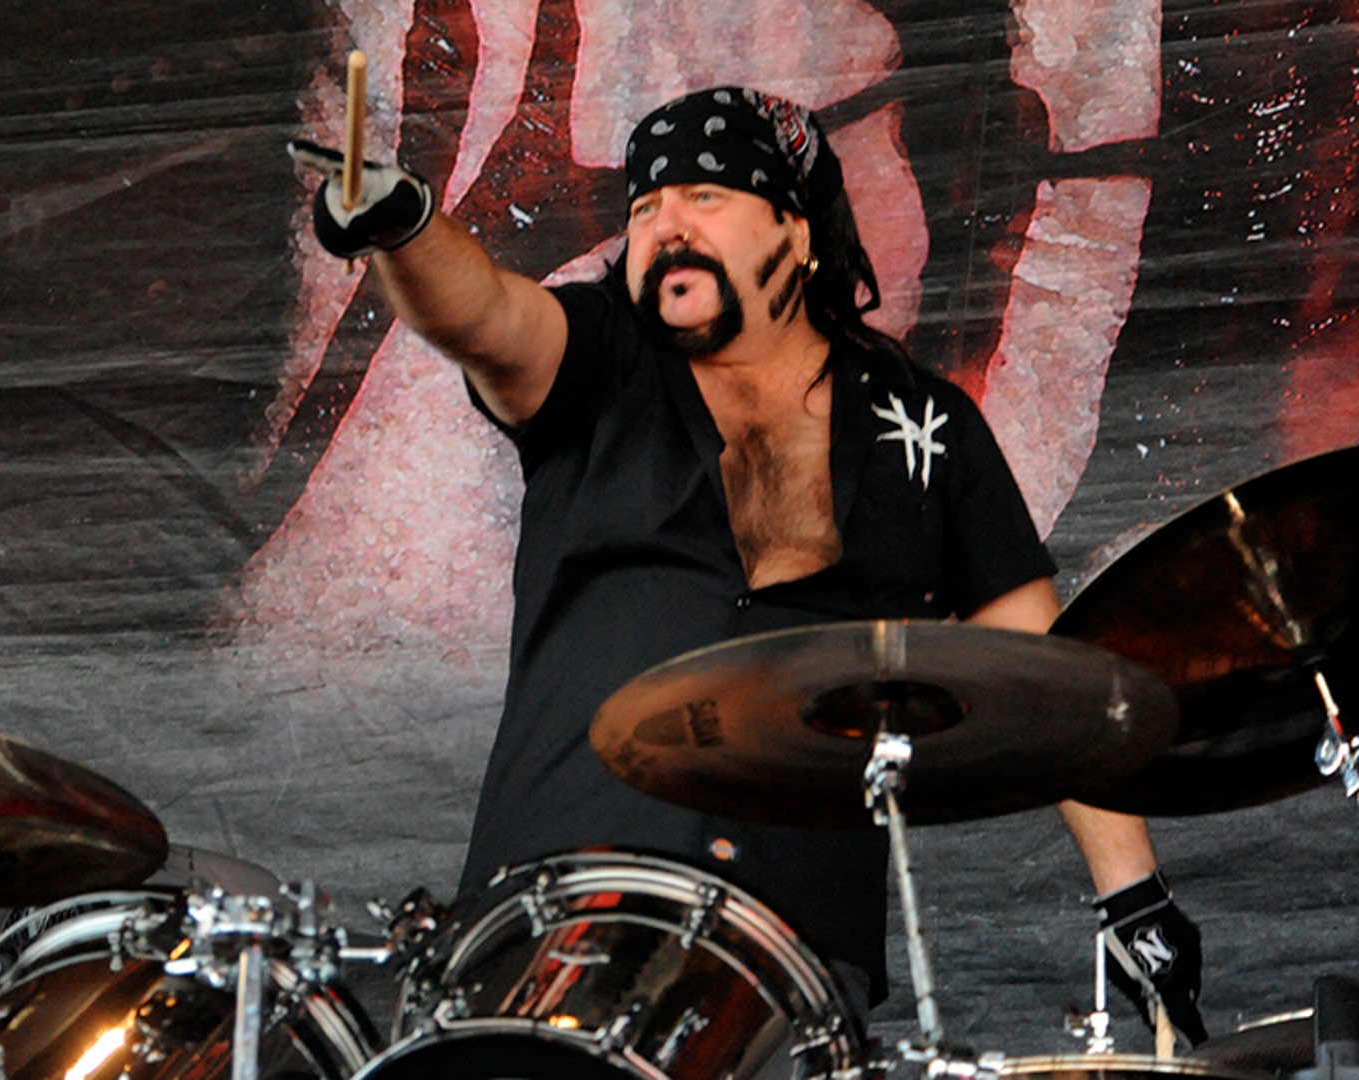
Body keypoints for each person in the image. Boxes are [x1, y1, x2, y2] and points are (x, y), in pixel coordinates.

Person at [290, 86, 1204, 1043]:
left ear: (797, 231)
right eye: (643, 208)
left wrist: (1132, 896)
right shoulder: (595, 360)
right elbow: (484, 316)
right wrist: (404, 227)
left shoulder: (927, 429)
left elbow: (1049, 679)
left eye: (705, 197)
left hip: (795, 959)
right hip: (555, 914)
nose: (664, 227)